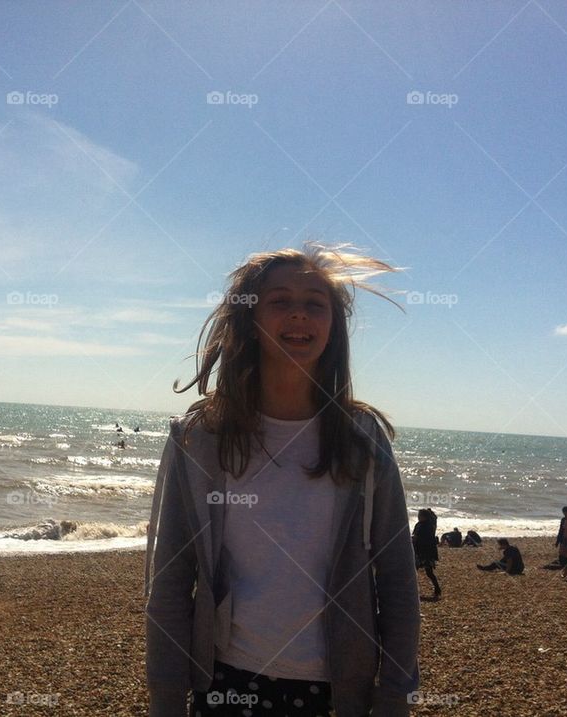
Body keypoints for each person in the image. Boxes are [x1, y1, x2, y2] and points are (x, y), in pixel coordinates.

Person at [144, 244, 420, 717]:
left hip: (336, 690)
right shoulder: (200, 437)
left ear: (333, 327)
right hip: (227, 680)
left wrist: (396, 695)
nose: (299, 314)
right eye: (279, 301)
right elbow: (169, 577)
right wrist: (166, 697)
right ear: (249, 319)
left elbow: (395, 577)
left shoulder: (362, 440)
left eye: (315, 303)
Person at [412, 509, 441, 598]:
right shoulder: (430, 525)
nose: (418, 517)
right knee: (429, 573)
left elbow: (416, 538)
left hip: (422, 552)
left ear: (423, 516)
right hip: (428, 552)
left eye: (419, 515)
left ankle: (412, 591)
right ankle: (437, 589)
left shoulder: (421, 525)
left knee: (414, 571)